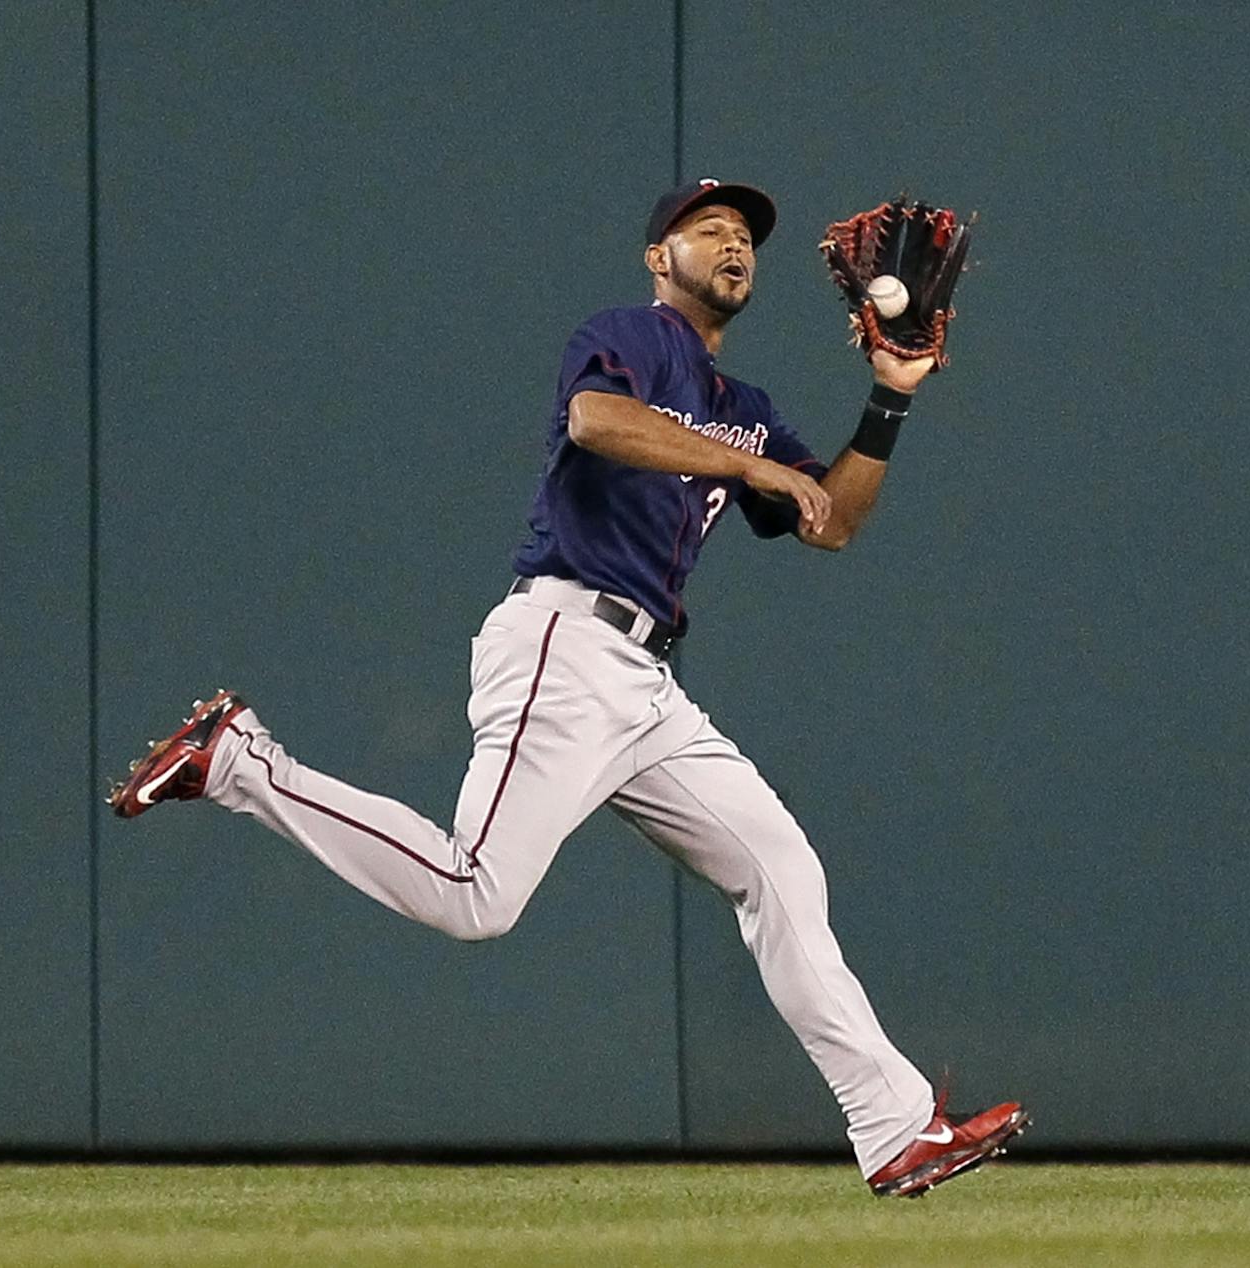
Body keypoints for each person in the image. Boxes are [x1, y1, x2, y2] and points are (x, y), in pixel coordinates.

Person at [107, 180, 1026, 1197]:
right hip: (564, 636)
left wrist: (892, 392)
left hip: (641, 683)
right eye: (706, 230)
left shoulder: (744, 409)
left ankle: (894, 1125)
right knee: (476, 894)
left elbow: (834, 519)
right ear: (657, 258)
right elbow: (595, 420)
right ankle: (237, 759)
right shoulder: (631, 334)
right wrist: (751, 471)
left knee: (780, 869)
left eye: (743, 237)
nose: (732, 245)